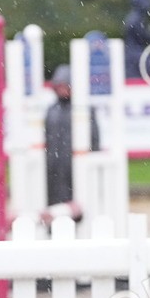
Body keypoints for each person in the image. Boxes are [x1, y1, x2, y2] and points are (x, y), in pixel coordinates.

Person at [44, 64, 99, 206]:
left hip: (75, 166)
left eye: (65, 86)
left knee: (78, 200)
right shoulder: (51, 110)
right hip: (54, 168)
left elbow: (94, 139)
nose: (62, 90)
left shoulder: (85, 110)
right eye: (59, 86)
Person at [124, 0, 150, 79]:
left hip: (135, 51)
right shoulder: (135, 18)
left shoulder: (135, 17)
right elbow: (141, 35)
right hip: (135, 52)